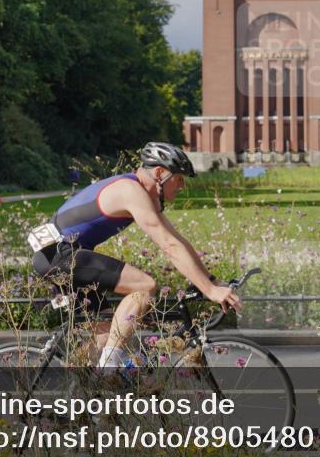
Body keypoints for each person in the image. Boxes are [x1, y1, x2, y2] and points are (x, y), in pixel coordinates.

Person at [32, 142, 243, 371]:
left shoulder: (140, 192)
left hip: (58, 256)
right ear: (160, 173)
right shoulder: (130, 191)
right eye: (179, 178)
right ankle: (108, 371)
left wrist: (210, 281)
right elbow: (169, 246)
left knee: (104, 337)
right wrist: (210, 292)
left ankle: (80, 391)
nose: (182, 185)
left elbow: (178, 241)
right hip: (59, 256)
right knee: (144, 286)